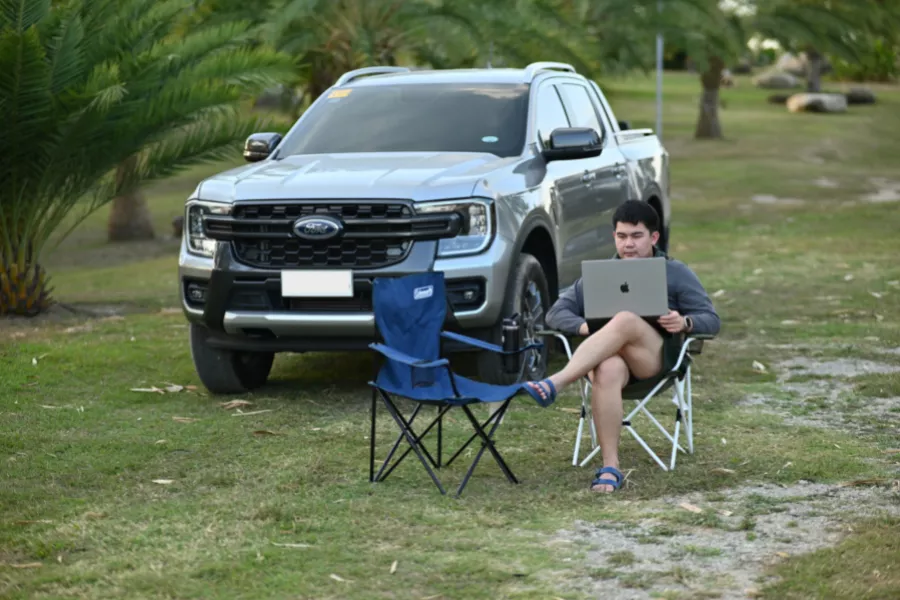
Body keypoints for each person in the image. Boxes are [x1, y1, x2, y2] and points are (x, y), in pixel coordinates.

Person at [521, 200, 720, 493]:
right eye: (621, 236)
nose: (628, 244)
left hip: (653, 362)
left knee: (626, 319)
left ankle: (556, 382)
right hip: (611, 364)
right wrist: (587, 327)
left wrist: (685, 322)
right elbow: (555, 313)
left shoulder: (674, 272)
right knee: (607, 368)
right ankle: (610, 467)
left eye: (636, 236)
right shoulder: (602, 274)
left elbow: (712, 320)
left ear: (653, 237)